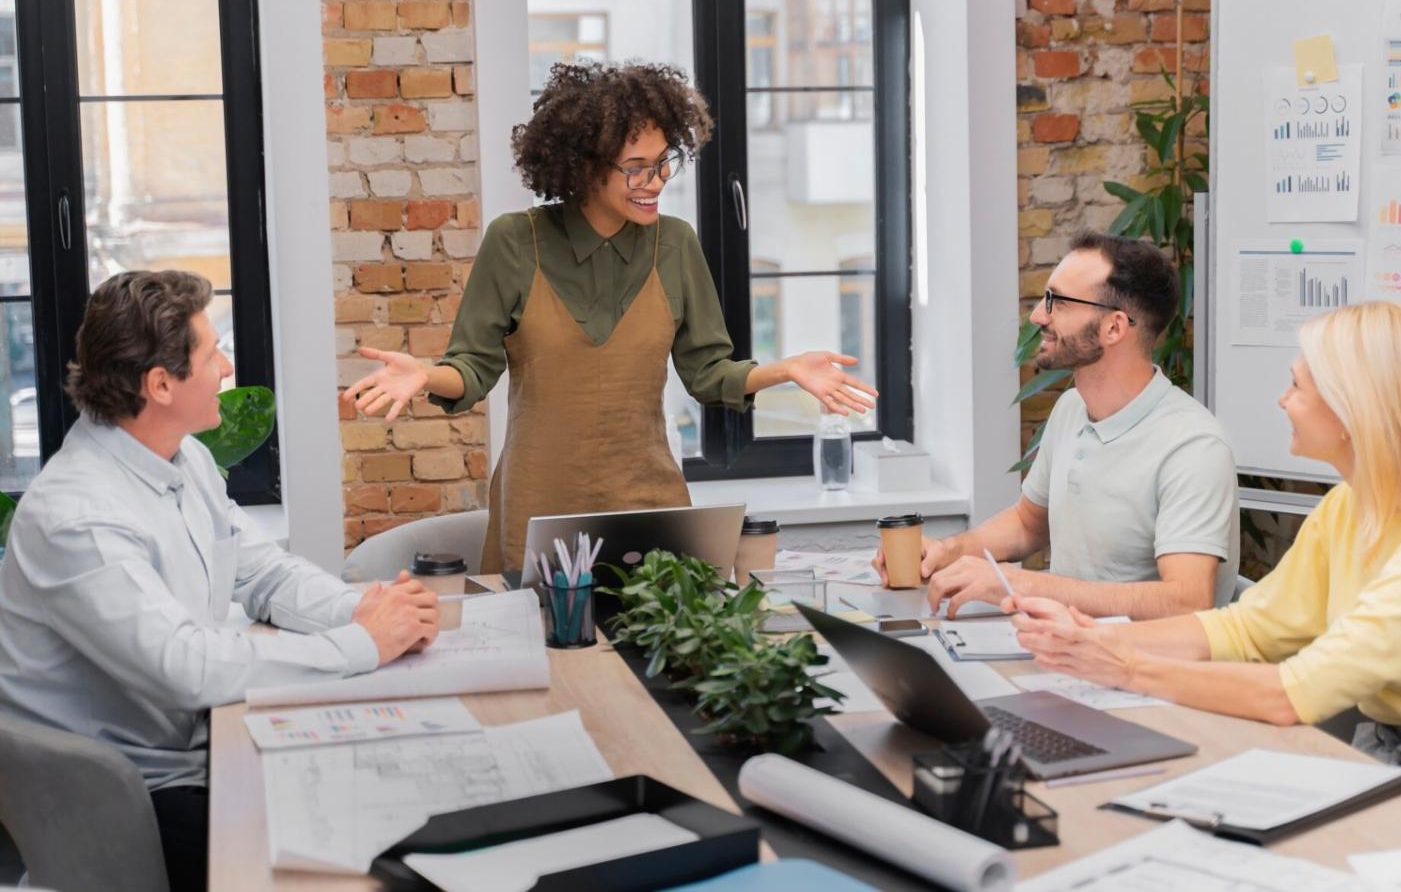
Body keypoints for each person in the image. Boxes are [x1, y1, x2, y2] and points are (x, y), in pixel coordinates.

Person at [0, 271, 440, 892]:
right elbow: (188, 668)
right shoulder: (77, 516)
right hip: (134, 794)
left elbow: (259, 570)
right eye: (211, 354)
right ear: (159, 384)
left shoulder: (183, 457)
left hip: (203, 744)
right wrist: (363, 643)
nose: (229, 367)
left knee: (392, 793)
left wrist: (368, 609)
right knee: (361, 859)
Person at [345, 61, 877, 573]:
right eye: (636, 168)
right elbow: (472, 368)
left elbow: (710, 374)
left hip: (649, 504)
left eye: (664, 161)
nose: (656, 181)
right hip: (538, 506)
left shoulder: (675, 245)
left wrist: (786, 370)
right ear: (585, 165)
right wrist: (423, 374)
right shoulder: (515, 242)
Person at [1012, 301, 1401, 823]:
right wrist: (1091, 639)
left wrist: (1124, 666)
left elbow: (1294, 694)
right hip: (1391, 753)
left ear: (1353, 410)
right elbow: (1253, 629)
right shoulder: (1350, 506)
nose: (1282, 400)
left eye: (1298, 387)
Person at [886, 229, 1239, 619]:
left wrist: (1020, 583)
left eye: (1057, 301)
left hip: (1141, 669)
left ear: (1114, 328)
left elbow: (1187, 601)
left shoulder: (1193, 447)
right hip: (1067, 650)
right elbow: (1027, 524)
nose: (1038, 315)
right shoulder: (1073, 408)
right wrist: (948, 551)